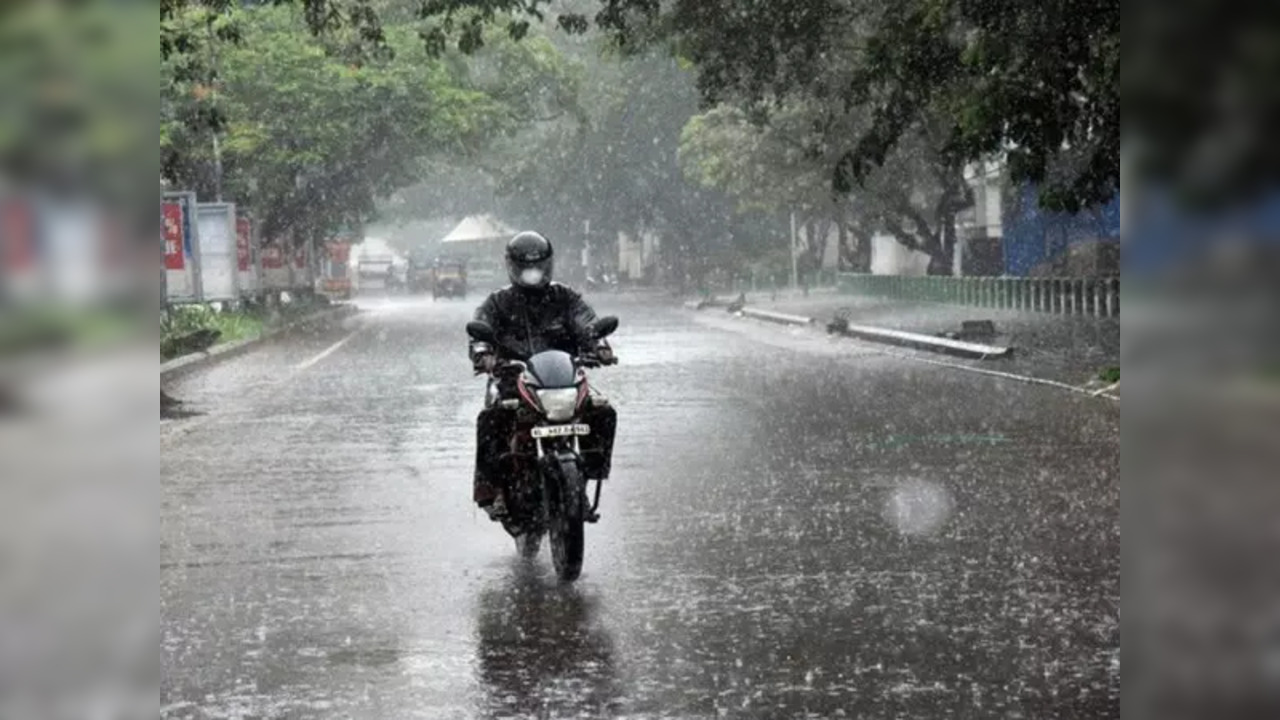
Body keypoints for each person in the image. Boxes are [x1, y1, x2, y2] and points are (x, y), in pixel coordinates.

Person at [468, 231, 618, 520]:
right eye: (526, 266)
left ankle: (585, 477)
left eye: (538, 266)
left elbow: (587, 322)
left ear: (548, 264)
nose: (533, 273)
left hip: (562, 381)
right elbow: (480, 328)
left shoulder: (565, 298)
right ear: (513, 266)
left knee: (602, 411)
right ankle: (493, 490)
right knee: (492, 418)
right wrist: (483, 353)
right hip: (512, 380)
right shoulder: (498, 302)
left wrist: (599, 346)